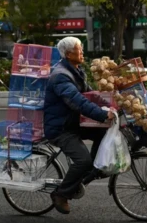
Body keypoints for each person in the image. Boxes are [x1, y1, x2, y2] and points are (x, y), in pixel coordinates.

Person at [43, 36, 115, 214]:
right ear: (68, 54)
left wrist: (112, 102)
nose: (82, 52)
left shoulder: (76, 71)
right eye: (79, 49)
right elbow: (78, 102)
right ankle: (61, 194)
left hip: (73, 123)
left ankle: (90, 172)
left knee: (104, 133)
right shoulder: (61, 76)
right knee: (83, 160)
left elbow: (90, 94)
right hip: (61, 128)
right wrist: (101, 114)